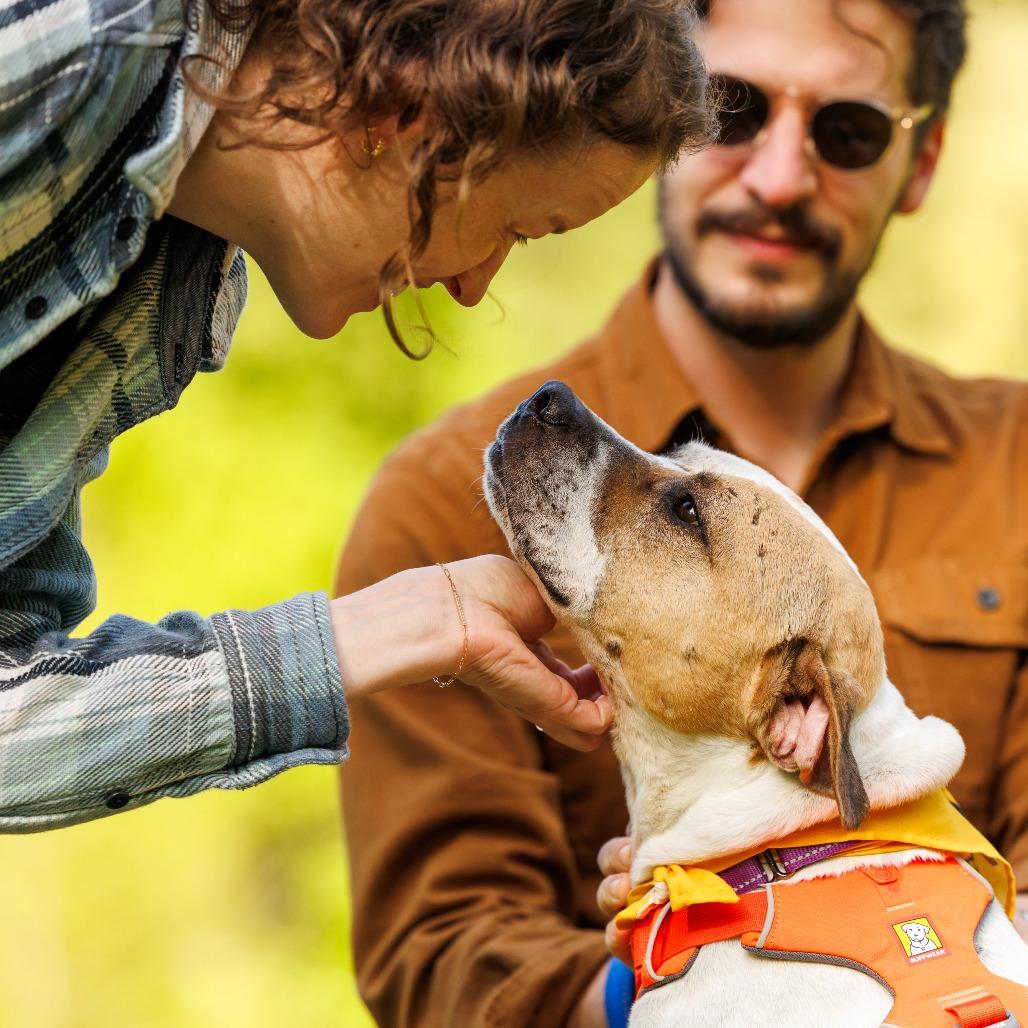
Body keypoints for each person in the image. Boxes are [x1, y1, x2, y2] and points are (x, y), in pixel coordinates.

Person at [336, 0, 1028, 1024]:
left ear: (920, 159)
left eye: (845, 130)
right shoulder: (448, 502)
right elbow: (443, 952)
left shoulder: (1013, 464)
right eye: (729, 107)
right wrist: (688, 968)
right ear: (663, 111)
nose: (779, 176)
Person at [0, 0, 710, 831]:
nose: (475, 285)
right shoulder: (76, 47)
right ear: (407, 115)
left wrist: (401, 626)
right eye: (514, 229)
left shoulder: (154, 290)